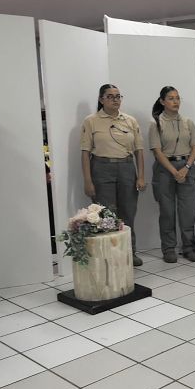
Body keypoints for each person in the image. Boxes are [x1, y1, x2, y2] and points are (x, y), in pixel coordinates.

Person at [80, 84, 145, 266]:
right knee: (106, 213)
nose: (115, 99)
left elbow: (139, 150)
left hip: (126, 167)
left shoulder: (130, 121)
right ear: (101, 99)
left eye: (118, 96)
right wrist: (87, 181)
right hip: (101, 168)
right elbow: (85, 153)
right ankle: (110, 254)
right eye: (110, 96)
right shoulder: (91, 121)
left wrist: (141, 176)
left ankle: (129, 252)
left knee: (128, 212)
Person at [149, 86, 195, 263]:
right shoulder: (156, 123)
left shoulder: (188, 122)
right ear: (162, 101)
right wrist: (174, 171)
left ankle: (188, 247)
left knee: (188, 211)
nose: (175, 101)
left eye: (178, 98)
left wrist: (186, 167)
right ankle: (169, 248)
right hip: (165, 169)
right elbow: (157, 151)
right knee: (167, 212)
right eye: (171, 98)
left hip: (187, 167)